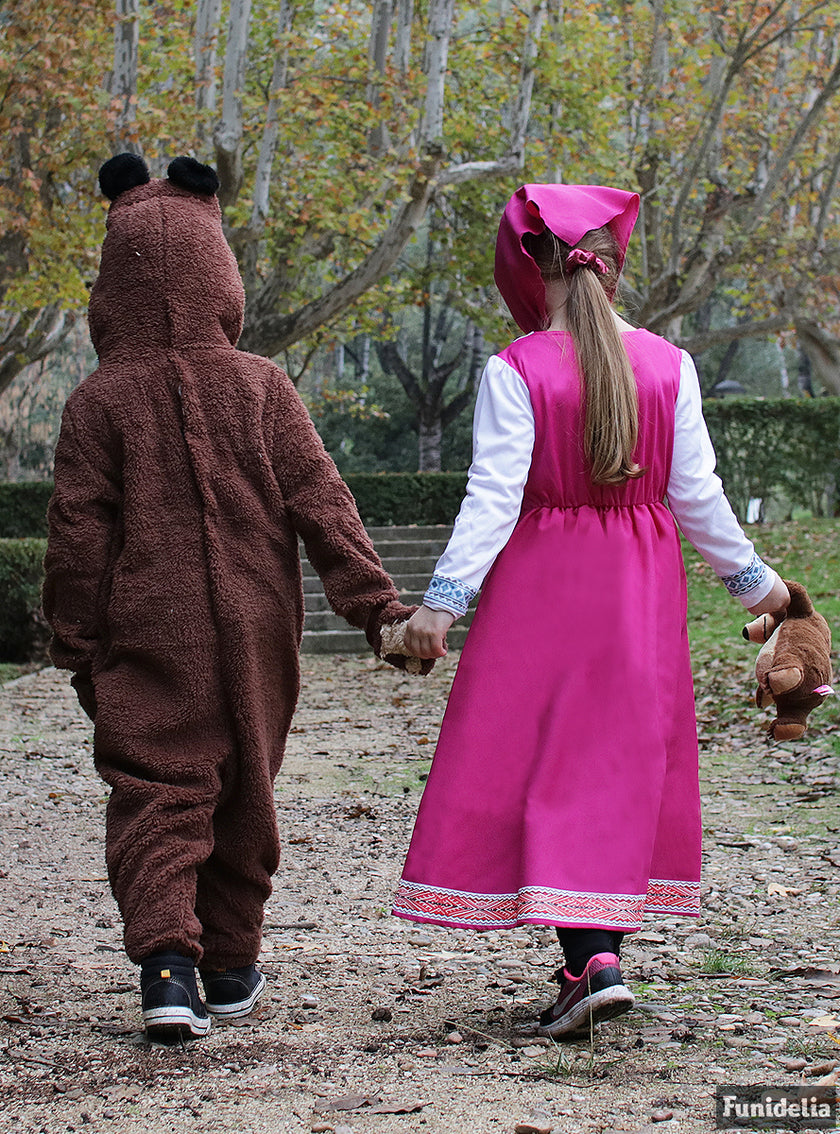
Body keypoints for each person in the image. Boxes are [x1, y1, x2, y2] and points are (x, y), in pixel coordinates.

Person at [395, 183, 790, 1039]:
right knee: (612, 765)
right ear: (613, 269)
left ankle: (586, 965)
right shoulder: (671, 366)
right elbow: (700, 501)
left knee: (542, 764)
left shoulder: (517, 369)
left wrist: (442, 603)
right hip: (638, 593)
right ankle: (597, 958)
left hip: (541, 593)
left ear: (533, 270)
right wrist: (764, 592)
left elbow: (492, 499)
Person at [43, 153, 422, 1041]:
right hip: (258, 628)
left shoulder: (97, 403)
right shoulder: (262, 385)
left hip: (147, 625)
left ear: (114, 283)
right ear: (221, 271)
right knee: (246, 789)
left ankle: (168, 971)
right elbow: (321, 501)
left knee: (157, 790)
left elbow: (76, 535)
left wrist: (76, 640)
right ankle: (231, 958)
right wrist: (374, 606)